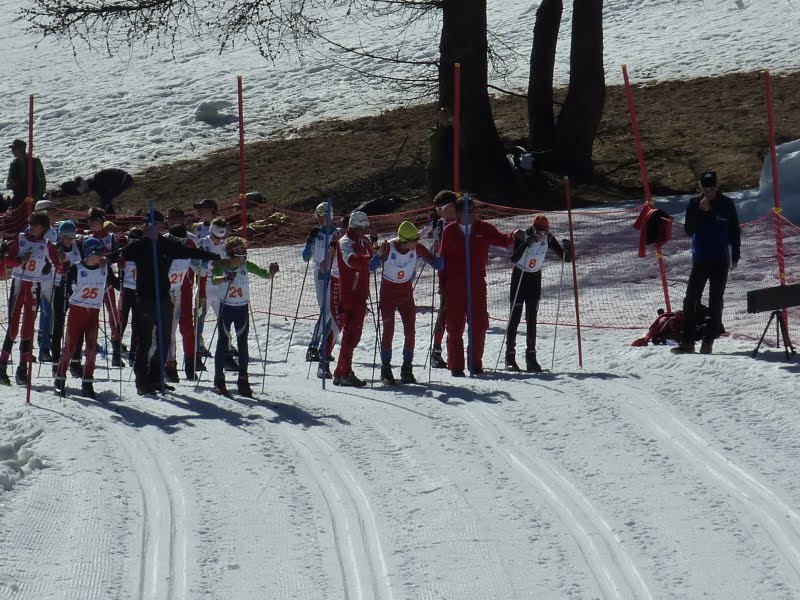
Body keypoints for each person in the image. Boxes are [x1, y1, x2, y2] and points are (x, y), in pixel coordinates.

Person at [121, 211, 220, 395]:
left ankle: (156, 377)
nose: (152, 229)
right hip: (145, 299)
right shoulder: (138, 246)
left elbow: (189, 252)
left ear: (160, 226)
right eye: (148, 225)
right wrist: (106, 259)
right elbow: (120, 255)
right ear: (144, 226)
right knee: (146, 341)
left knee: (165, 339)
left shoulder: (167, 244)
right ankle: (141, 381)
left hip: (165, 298)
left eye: (155, 225)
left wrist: (214, 257)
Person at [438, 194, 522, 377]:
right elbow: (442, 258)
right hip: (454, 283)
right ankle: (456, 366)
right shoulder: (449, 231)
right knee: (454, 326)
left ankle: (475, 364)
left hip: (476, 282)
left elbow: (503, 240)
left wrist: (514, 235)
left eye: (472, 211)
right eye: (465, 211)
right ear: (458, 213)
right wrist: (441, 285)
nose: (469, 214)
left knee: (479, 324)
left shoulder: (484, 228)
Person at [672, 171, 741, 355]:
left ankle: (708, 341)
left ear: (717, 187)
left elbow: (734, 232)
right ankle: (687, 341)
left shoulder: (727, 204)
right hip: (700, 260)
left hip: (720, 260)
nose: (709, 192)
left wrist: (735, 257)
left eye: (712, 189)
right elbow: (689, 229)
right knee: (691, 299)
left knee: (715, 301)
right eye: (706, 189)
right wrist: (700, 211)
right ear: (700, 187)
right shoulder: (694, 204)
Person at [370, 221, 443, 385]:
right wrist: (379, 255)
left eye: (417, 239)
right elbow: (371, 267)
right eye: (413, 241)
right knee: (388, 330)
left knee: (410, 330)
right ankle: (386, 368)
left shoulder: (417, 248)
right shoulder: (389, 247)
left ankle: (407, 368)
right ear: (404, 240)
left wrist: (438, 252)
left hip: (406, 294)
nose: (416, 243)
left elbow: (439, 265)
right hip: (388, 294)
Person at [210, 237, 279, 397]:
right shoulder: (222, 265)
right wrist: (225, 278)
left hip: (242, 309)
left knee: (243, 344)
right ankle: (219, 379)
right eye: (240, 257)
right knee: (222, 342)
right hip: (226, 308)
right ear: (231, 256)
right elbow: (214, 280)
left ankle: (243, 380)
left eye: (245, 256)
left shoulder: (246, 266)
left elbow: (265, 274)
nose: (243, 260)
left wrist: (271, 272)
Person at [504, 214, 571, 373]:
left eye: (543, 231)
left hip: (534, 279)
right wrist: (525, 244)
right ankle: (510, 357)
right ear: (532, 228)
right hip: (520, 277)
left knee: (532, 317)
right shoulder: (522, 235)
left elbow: (565, 258)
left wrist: (569, 249)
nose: (540, 234)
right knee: (515, 316)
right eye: (538, 230)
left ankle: (531, 357)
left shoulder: (549, 238)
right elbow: (514, 259)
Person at [0, 211, 59, 385]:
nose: (31, 227)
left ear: (44, 228)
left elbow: (58, 265)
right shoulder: (21, 239)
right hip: (19, 285)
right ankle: (2, 366)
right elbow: (6, 260)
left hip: (33, 287)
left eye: (35, 224)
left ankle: (22, 369)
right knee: (13, 327)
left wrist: (62, 263)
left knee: (28, 327)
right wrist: (19, 261)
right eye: (30, 223)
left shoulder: (47, 245)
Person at [53, 238, 113, 399]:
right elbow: (65, 287)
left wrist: (121, 269)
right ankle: (59, 379)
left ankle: (87, 383)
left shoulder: (104, 267)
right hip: (77, 310)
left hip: (93, 311)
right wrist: (62, 271)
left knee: (91, 348)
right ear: (89, 253)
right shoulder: (76, 268)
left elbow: (116, 284)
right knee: (70, 346)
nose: (101, 256)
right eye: (98, 253)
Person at [332, 210, 374, 387]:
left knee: (355, 335)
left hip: (361, 294)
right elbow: (351, 261)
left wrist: (380, 254)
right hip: (349, 295)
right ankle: (343, 372)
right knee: (350, 336)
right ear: (356, 227)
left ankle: (341, 372)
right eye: (364, 228)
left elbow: (373, 259)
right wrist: (369, 258)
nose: (366, 231)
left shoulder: (363, 241)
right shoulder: (345, 242)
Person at [85, 207, 125, 366]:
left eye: (95, 221)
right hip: (90, 280)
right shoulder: (87, 238)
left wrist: (108, 256)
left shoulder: (111, 237)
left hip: (106, 278)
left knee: (112, 311)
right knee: (90, 312)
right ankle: (91, 341)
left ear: (102, 221)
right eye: (90, 221)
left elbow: (117, 256)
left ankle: (116, 342)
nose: (92, 224)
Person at [301, 202, 340, 364]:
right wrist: (309, 243)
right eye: (317, 216)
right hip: (321, 274)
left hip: (337, 274)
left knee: (334, 313)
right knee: (326, 312)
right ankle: (313, 347)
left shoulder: (339, 233)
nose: (318, 219)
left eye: (321, 215)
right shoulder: (316, 233)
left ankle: (325, 348)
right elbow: (305, 257)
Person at [425, 190, 458, 369]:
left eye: (440, 207)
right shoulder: (438, 223)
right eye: (436, 208)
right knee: (444, 312)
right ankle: (436, 351)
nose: (437, 211)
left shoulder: (462, 220)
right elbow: (422, 235)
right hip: (445, 273)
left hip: (463, 271)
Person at [164, 223, 199, 382]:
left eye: (182, 241)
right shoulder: (162, 244)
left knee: (177, 328)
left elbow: (201, 268)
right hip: (161, 293)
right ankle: (162, 365)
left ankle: (182, 365)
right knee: (158, 330)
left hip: (179, 292)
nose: (180, 244)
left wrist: (209, 263)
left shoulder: (189, 246)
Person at [50, 220, 84, 373]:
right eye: (66, 236)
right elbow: (46, 267)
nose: (69, 239)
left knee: (78, 324)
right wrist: (58, 263)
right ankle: (56, 361)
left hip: (76, 289)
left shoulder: (79, 247)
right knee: (59, 323)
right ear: (60, 236)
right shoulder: (54, 248)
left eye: (72, 236)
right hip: (59, 287)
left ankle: (75, 361)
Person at [118, 228, 143, 363]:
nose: (132, 244)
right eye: (131, 241)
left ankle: (134, 351)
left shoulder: (145, 254)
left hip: (139, 291)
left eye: (136, 241)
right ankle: (116, 350)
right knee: (121, 320)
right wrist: (120, 268)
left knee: (137, 323)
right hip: (126, 290)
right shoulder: (125, 252)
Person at [5, 139, 46, 210]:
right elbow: (8, 183)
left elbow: (41, 182)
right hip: (19, 197)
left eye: (15, 148)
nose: (13, 151)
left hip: (32, 196)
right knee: (12, 212)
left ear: (22, 149)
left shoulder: (34, 162)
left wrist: (36, 198)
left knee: (30, 210)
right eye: (12, 149)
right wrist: (12, 184)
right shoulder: (14, 164)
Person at [426, 108, 454, 201]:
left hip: (450, 168)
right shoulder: (433, 131)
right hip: (435, 168)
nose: (445, 119)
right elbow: (433, 140)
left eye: (447, 117)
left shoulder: (453, 130)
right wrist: (443, 126)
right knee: (436, 196)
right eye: (442, 117)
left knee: (452, 194)